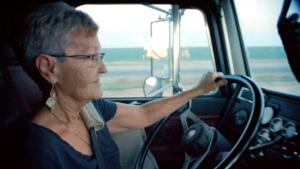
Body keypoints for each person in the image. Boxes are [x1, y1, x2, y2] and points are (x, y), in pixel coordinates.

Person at [21, 2, 228, 169]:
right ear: (49, 68)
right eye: (91, 57)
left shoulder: (90, 109)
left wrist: (199, 90)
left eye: (99, 56)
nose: (103, 68)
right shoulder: (39, 152)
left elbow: (144, 114)